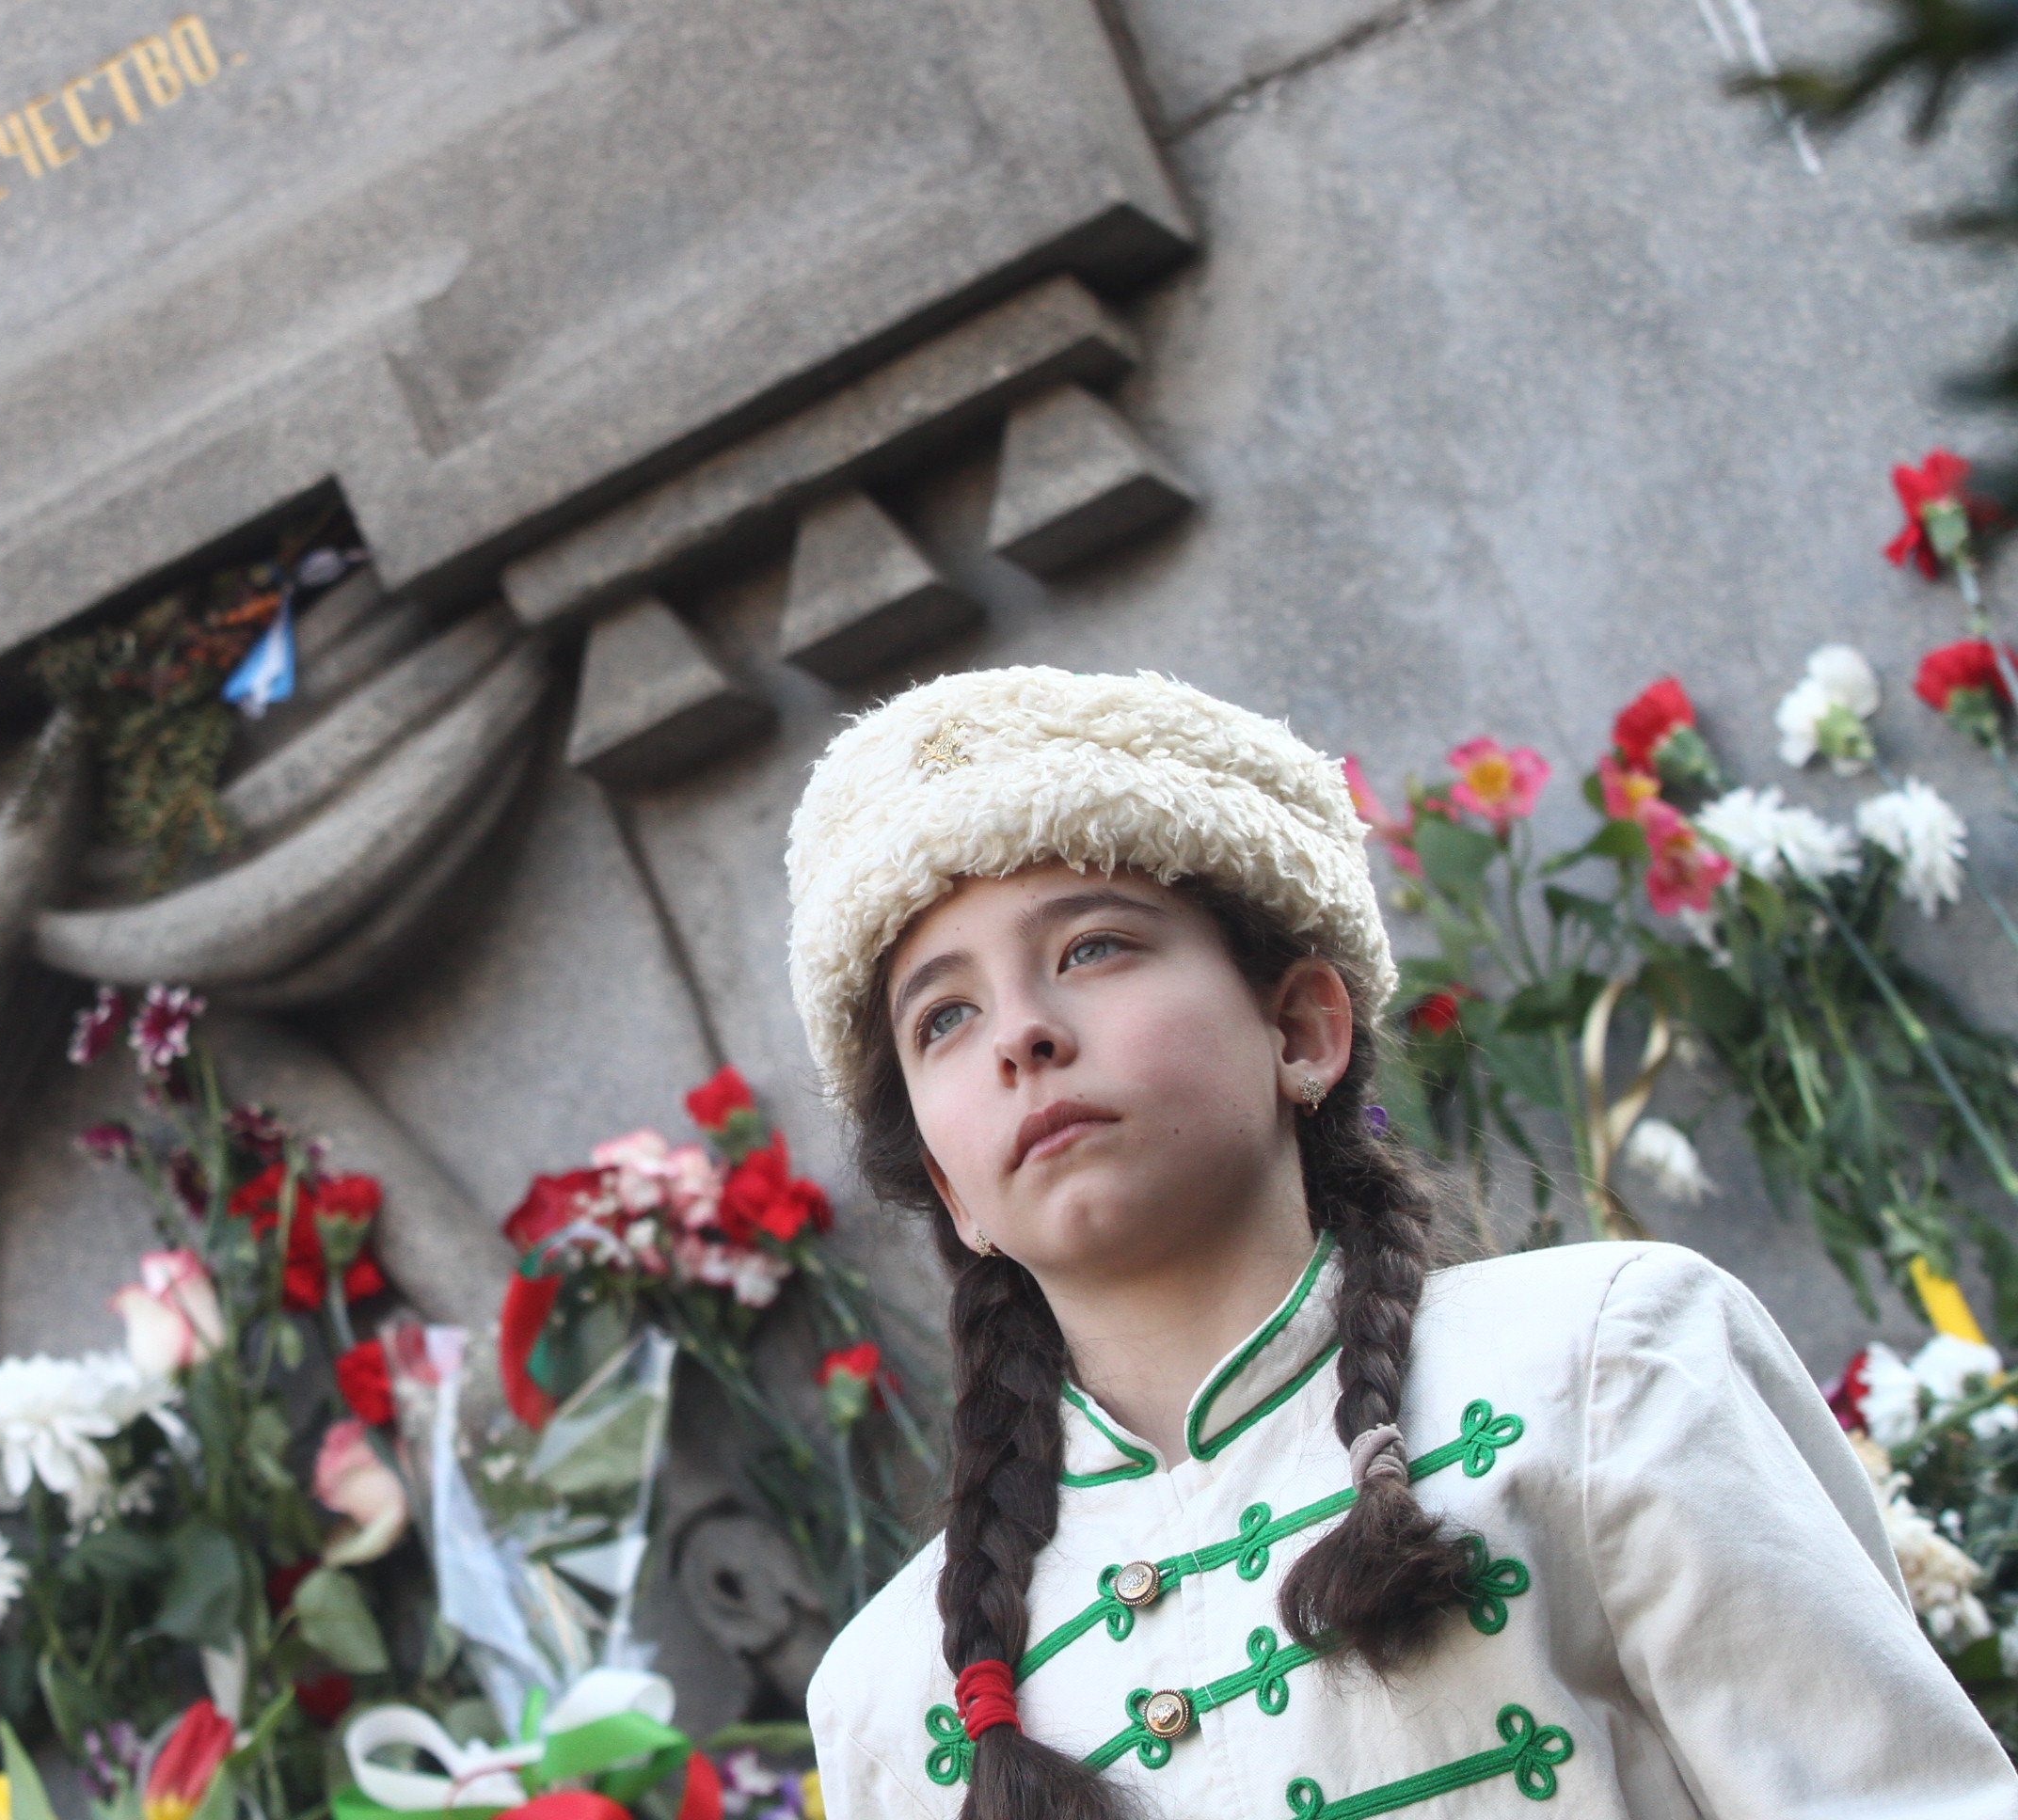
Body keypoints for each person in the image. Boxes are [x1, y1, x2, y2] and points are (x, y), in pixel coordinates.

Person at [786, 666, 2014, 1820]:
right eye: (944, 1016)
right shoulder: (887, 1697)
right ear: (949, 1189)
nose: (1022, 1033)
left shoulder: (1605, 1365)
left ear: (1302, 1031)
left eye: (1092, 947)